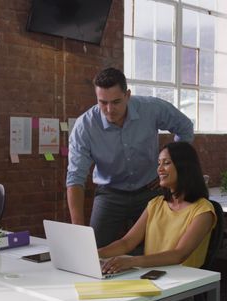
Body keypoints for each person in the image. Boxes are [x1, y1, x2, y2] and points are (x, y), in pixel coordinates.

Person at [92, 141, 216, 301]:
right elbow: (127, 242)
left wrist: (131, 261)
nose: (159, 169)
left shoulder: (203, 210)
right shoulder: (156, 204)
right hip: (148, 283)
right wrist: (92, 254)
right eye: (159, 163)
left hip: (179, 293)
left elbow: (179, 254)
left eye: (166, 163)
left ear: (183, 167)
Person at [67, 67, 194, 248]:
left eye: (116, 102)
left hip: (150, 190)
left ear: (127, 95)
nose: (109, 110)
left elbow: (185, 127)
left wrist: (170, 168)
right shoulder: (85, 126)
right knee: (91, 250)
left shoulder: (151, 108)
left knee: (158, 248)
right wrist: (77, 230)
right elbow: (75, 178)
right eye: (103, 103)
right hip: (110, 193)